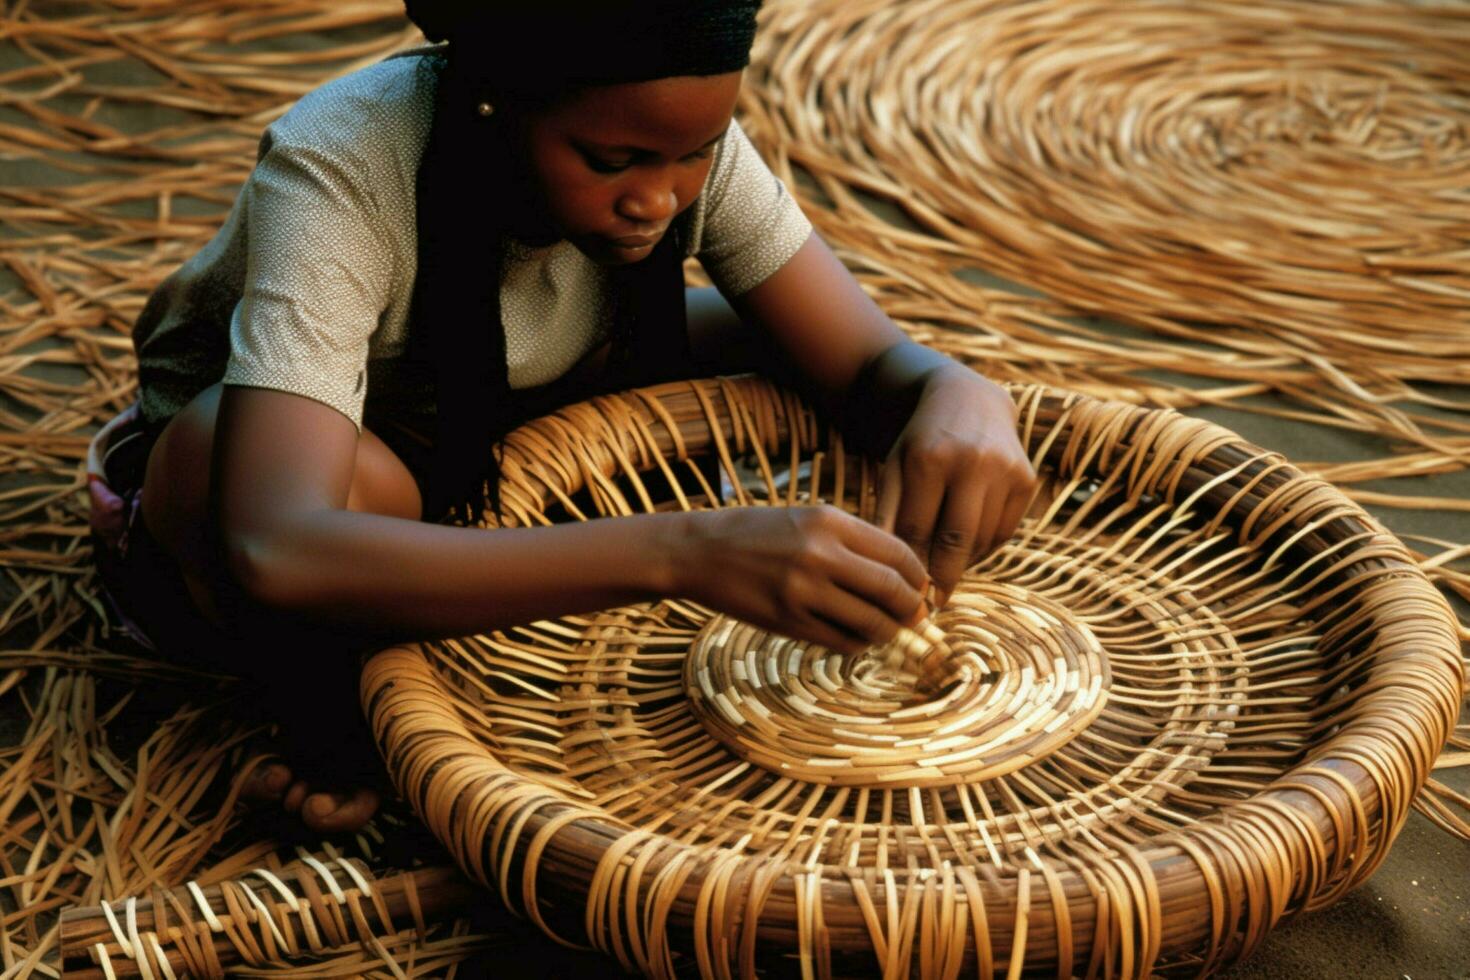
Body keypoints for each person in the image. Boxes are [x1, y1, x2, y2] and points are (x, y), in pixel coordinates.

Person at [85, 0, 1037, 836]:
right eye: (612, 162)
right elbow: (278, 543)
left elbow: (868, 361)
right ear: (496, 101)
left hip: (506, 398)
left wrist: (954, 390)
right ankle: (345, 701)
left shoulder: (668, 138)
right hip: (299, 471)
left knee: (776, 343)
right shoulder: (346, 163)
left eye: (697, 154)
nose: (658, 198)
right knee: (241, 460)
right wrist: (689, 553)